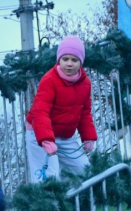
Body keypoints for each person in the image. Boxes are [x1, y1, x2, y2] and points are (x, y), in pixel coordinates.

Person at [25, 36, 97, 183]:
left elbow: (84, 113)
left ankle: (75, 197)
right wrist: (45, 139)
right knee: (49, 177)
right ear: (59, 60)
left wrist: (88, 137)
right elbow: (40, 111)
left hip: (65, 137)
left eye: (74, 60)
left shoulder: (85, 83)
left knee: (85, 170)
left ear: (81, 62)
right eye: (65, 59)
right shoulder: (49, 80)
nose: (69, 64)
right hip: (40, 134)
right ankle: (47, 197)